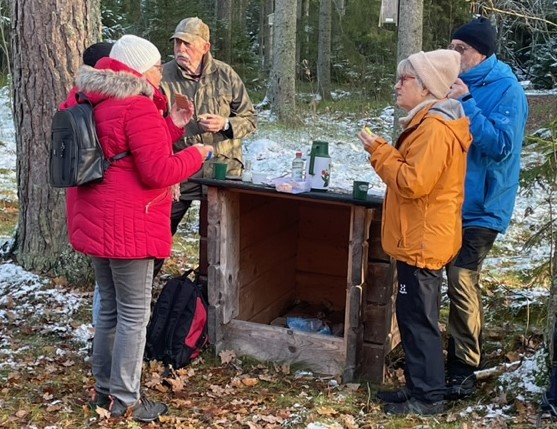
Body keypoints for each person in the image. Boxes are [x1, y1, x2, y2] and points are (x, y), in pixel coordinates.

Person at [65, 34, 213, 422]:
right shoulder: (138, 106)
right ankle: (126, 399)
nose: (158, 72)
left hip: (96, 219)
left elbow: (129, 151)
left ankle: (104, 391)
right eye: (153, 65)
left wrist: (174, 127)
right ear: (136, 67)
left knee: (110, 310)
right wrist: (196, 154)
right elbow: (158, 170)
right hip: (130, 223)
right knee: (133, 314)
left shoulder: (94, 98)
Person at [358, 49, 472, 415]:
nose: (397, 86)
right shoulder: (426, 123)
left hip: (424, 239)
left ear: (425, 88)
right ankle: (419, 388)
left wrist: (379, 151)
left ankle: (429, 397)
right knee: (411, 316)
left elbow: (413, 181)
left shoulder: (435, 129)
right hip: (420, 237)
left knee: (419, 320)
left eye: (404, 79)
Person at [445, 17, 528, 400]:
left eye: (461, 49)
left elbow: (500, 146)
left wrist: (465, 103)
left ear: (481, 53)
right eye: (452, 46)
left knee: (462, 278)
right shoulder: (452, 84)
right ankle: (433, 361)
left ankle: (464, 369)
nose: (454, 54)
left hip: (484, 205)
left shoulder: (506, 89)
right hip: (447, 200)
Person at [155, 17, 257, 276]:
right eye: (177, 43)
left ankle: (215, 296)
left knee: (224, 240)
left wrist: (225, 123)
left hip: (224, 169)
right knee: (157, 234)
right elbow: (152, 129)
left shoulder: (225, 75)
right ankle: (142, 292)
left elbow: (250, 120)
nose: (180, 49)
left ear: (205, 47)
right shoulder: (163, 76)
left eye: (187, 44)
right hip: (179, 169)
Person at [59, 41, 114, 330]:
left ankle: (100, 343)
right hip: (102, 202)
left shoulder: (76, 99)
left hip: (83, 203)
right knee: (112, 290)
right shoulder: (103, 102)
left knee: (105, 285)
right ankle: (105, 345)